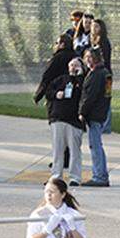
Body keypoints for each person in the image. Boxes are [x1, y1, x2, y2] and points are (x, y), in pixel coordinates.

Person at [46, 58, 84, 186]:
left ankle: (75, 177)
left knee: (75, 151)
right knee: (58, 150)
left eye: (76, 65)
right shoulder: (61, 79)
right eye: (72, 65)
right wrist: (57, 94)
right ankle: (56, 175)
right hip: (58, 118)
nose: (73, 68)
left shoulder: (82, 81)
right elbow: (49, 91)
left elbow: (84, 93)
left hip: (73, 121)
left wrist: (79, 77)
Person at [78, 49, 111, 188]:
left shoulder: (98, 74)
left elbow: (90, 97)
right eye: (86, 57)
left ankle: (99, 176)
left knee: (95, 145)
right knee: (97, 145)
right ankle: (101, 174)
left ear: (97, 58)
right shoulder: (104, 73)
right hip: (101, 113)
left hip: (95, 114)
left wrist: (82, 112)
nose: (88, 59)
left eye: (91, 57)